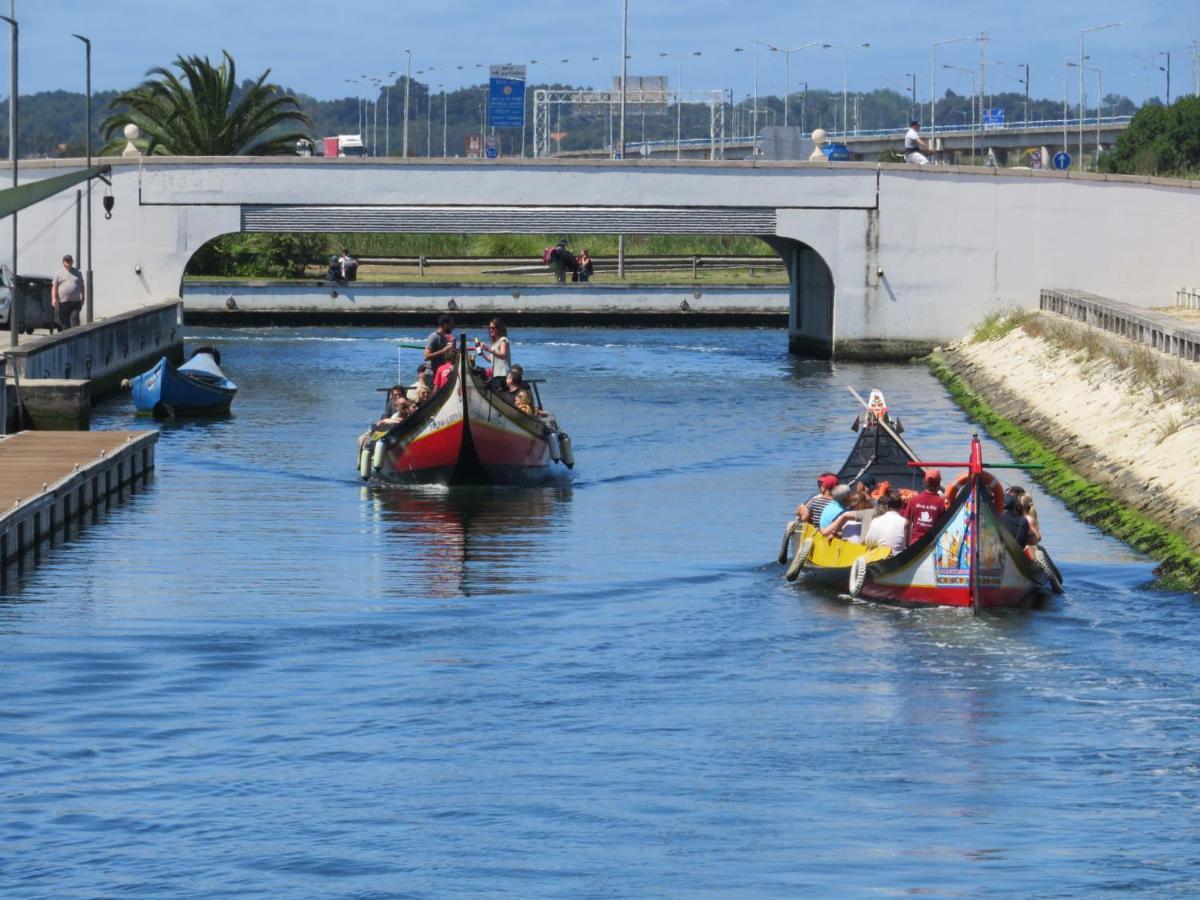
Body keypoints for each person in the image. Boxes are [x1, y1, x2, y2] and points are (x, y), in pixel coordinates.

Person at [905, 469, 947, 545]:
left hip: (914, 544)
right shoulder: (942, 503)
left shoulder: (913, 500)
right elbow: (944, 526)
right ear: (938, 484)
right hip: (931, 545)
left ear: (924, 482)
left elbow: (906, 524)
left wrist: (907, 544)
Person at [51, 254, 85, 330]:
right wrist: (53, 299)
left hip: (75, 302)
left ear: (72, 262)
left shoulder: (78, 272)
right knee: (64, 324)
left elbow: (82, 286)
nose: (68, 263)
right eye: (67, 261)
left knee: (74, 321)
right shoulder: (58, 273)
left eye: (70, 261)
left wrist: (83, 297)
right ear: (63, 262)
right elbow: (54, 287)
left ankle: (75, 338)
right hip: (63, 303)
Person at [474, 317, 511, 384]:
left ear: (499, 329)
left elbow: (503, 355)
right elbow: (491, 360)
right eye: (489, 328)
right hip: (496, 374)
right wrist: (482, 353)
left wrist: (488, 349)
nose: (491, 330)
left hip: (503, 374)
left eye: (493, 328)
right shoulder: (494, 343)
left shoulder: (503, 340)